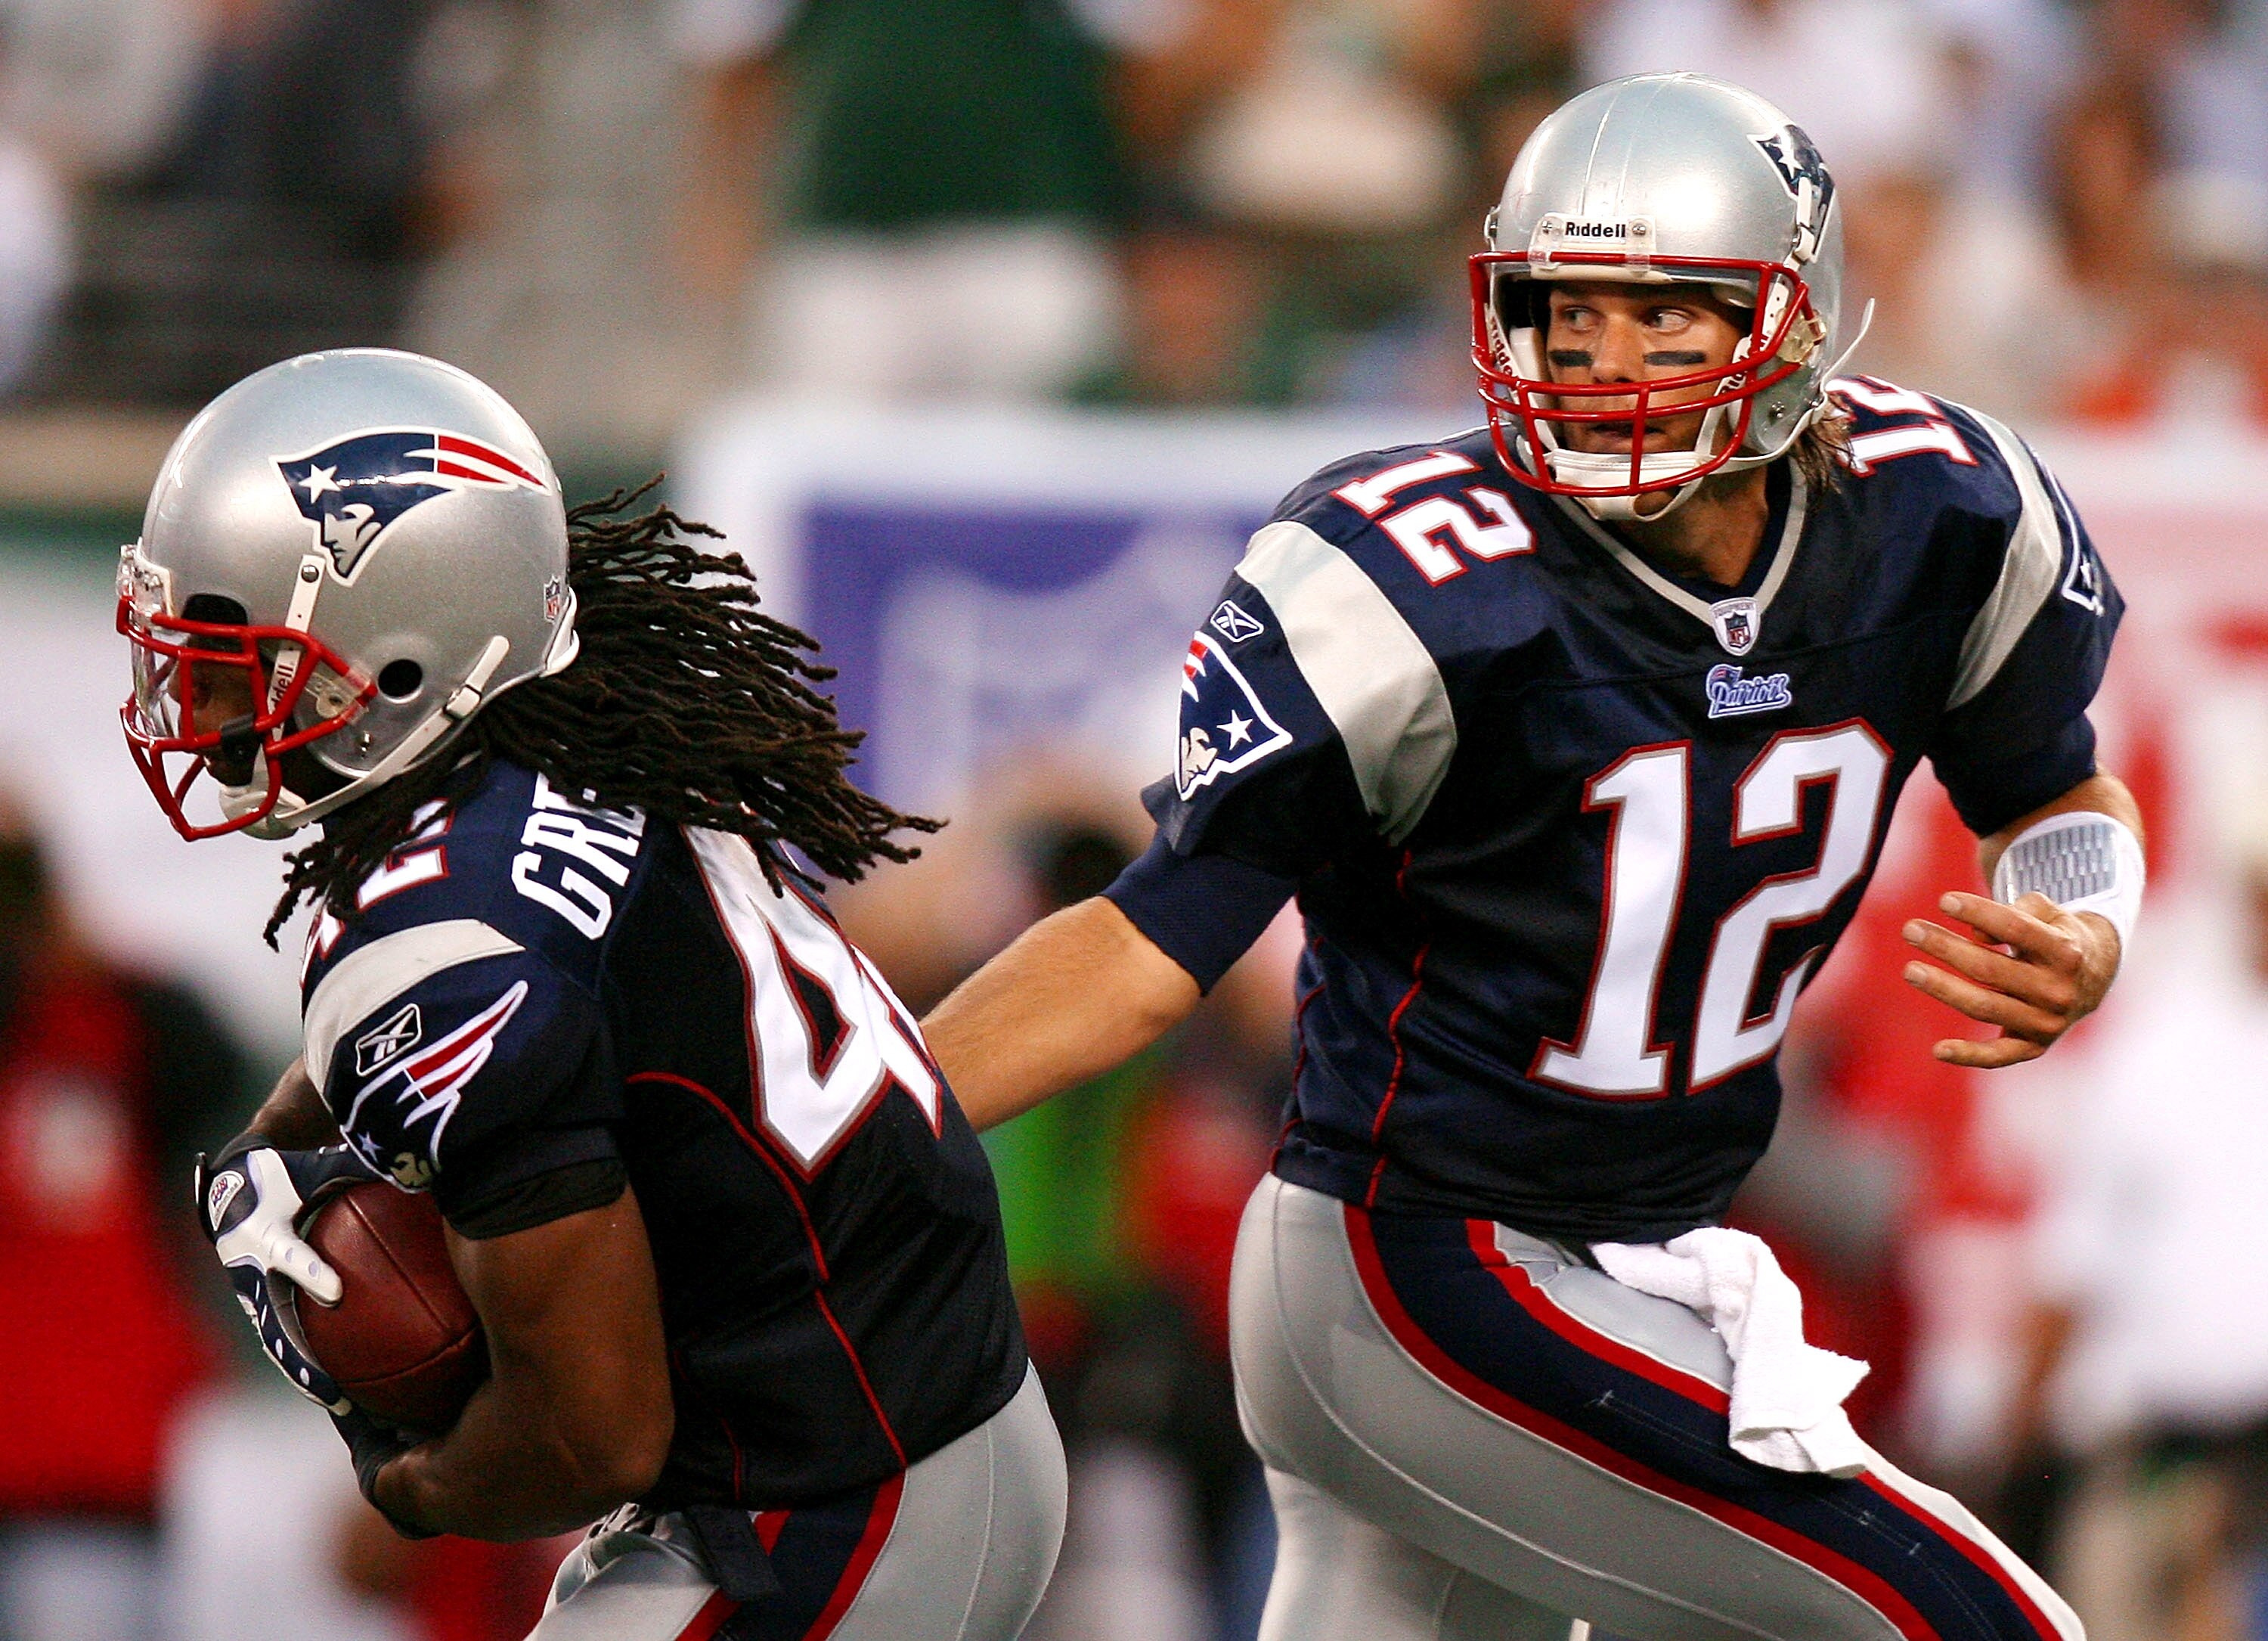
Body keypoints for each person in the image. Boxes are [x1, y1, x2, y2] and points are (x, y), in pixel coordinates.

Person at [922, 73, 2142, 1641]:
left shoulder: (1941, 515)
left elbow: (2056, 793)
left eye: (1666, 317)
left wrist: (2081, 923)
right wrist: (850, 1125)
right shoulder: (1425, 578)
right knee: (1968, 1618)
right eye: (1569, 316)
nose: (1604, 362)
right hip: (1417, 1270)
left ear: (1793, 315)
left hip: (1628, 1254)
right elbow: (1144, 944)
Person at [119, 349, 1064, 1637]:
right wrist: (305, 1111)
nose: (196, 699)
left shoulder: (445, 950)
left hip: (836, 1486)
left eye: (233, 652)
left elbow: (594, 1431)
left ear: (395, 653)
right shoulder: (581, 729)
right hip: (909, 1403)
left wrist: (410, 1477)